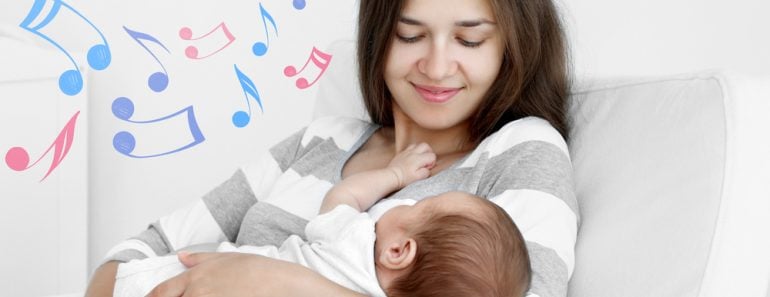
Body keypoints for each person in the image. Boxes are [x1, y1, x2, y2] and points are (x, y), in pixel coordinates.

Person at [86, 0, 578, 296]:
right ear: (379, 40)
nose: (436, 64)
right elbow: (144, 248)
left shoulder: (522, 147)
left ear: (511, 49)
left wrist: (277, 282)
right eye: (410, 35)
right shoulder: (323, 139)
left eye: (470, 41)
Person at [112, 143, 531, 297]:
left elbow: (342, 196)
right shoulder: (324, 136)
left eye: (419, 208)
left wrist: (395, 175)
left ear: (399, 250)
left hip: (175, 280)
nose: (402, 204)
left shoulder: (354, 237)